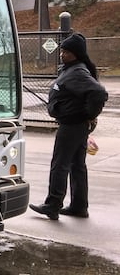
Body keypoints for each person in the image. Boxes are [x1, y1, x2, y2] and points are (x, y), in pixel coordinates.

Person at [29, 33, 107, 220]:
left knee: (60, 164)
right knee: (77, 165)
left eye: (67, 51)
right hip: (76, 125)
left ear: (76, 54)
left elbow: (98, 93)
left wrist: (89, 115)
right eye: (62, 50)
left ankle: (52, 204)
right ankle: (79, 206)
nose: (62, 54)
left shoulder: (77, 72)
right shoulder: (71, 69)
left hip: (72, 126)